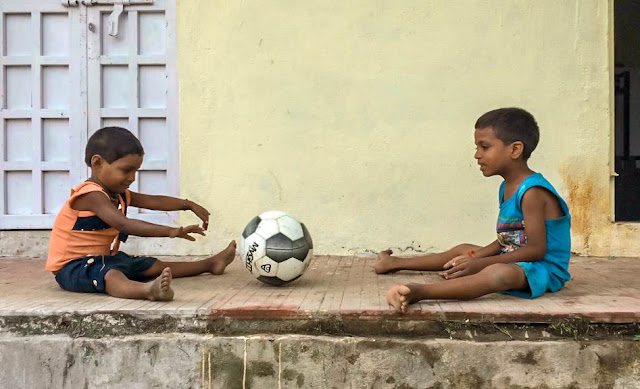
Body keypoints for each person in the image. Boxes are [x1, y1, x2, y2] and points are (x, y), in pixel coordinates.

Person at [377, 108, 571, 313]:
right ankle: (394, 262)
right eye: (477, 147)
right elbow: (509, 238)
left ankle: (419, 292)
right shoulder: (507, 187)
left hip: (544, 269)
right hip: (519, 258)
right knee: (464, 249)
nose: (477, 155)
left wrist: (481, 264)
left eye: (484, 147)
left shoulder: (532, 192)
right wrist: (476, 257)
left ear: (515, 150)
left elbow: (536, 250)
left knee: (498, 273)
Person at [45, 126, 236, 301]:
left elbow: (153, 201)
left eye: (135, 171)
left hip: (104, 258)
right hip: (72, 268)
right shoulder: (90, 195)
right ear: (97, 163)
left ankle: (211, 264)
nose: (132, 178)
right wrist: (171, 231)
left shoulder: (117, 194)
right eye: (126, 170)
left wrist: (187, 204)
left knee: (151, 265)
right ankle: (148, 291)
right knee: (110, 275)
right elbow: (124, 224)